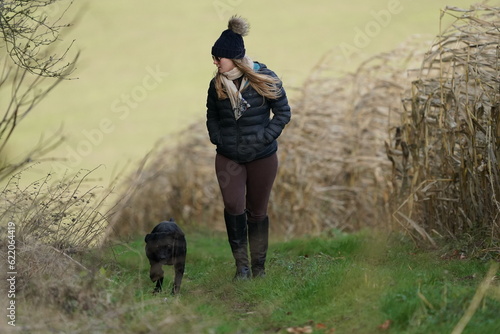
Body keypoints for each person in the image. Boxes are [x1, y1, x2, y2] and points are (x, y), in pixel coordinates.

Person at [206, 15, 291, 279]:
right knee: (233, 206)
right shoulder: (217, 83)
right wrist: (219, 139)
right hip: (229, 157)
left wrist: (264, 138)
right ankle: (241, 267)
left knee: (257, 212)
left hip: (262, 157)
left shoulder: (264, 78)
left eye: (219, 58)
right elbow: (211, 115)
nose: (215, 62)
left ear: (233, 57)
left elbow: (283, 113)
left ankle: (258, 268)